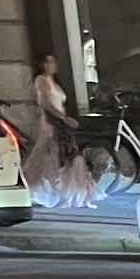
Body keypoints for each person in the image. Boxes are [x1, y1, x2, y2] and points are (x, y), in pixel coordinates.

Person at [23, 52, 94, 210]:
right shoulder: (41, 80)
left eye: (54, 62)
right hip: (50, 123)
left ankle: (57, 189)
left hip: (59, 122)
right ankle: (39, 188)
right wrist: (63, 118)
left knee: (59, 155)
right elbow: (46, 103)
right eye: (49, 62)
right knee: (47, 155)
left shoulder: (55, 82)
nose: (52, 65)